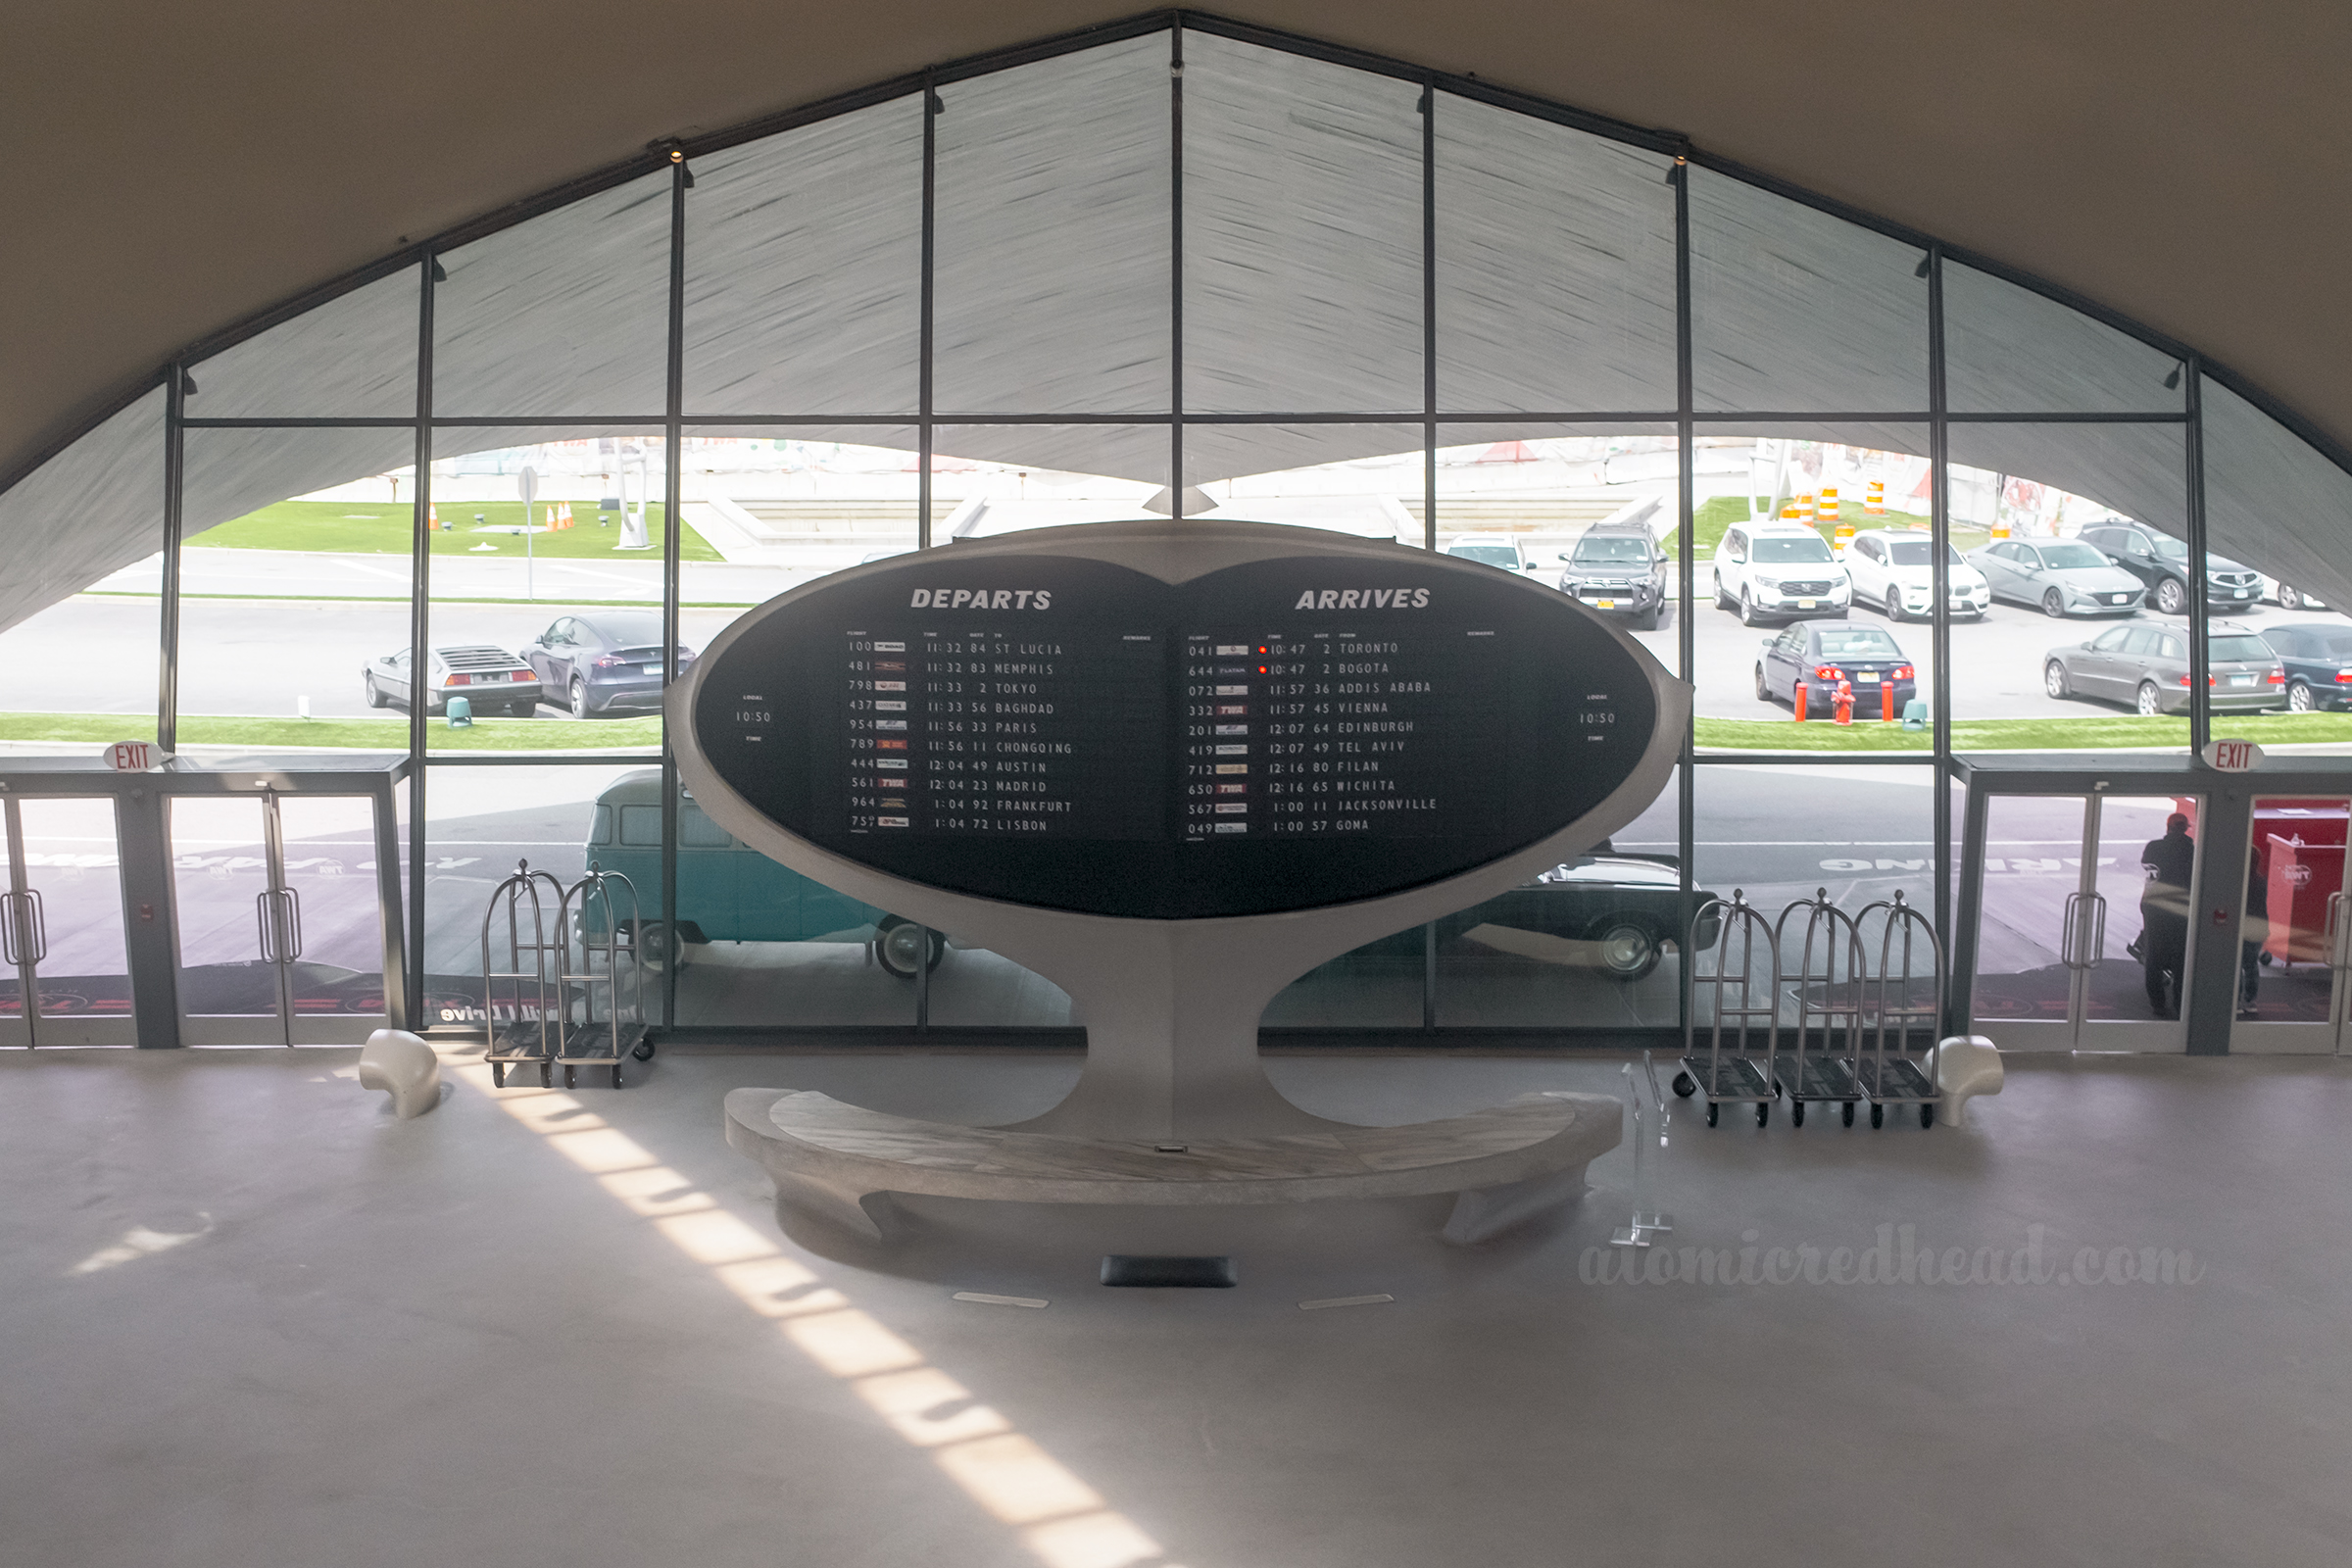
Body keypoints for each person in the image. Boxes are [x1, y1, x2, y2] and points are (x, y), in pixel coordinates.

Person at [2139, 812, 2194, 1018]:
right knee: (2181, 956)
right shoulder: (2191, 851)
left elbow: (2146, 864)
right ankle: (2180, 1003)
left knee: (2153, 954)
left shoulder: (2154, 847)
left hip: (2153, 906)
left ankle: (2157, 1002)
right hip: (2180, 909)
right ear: (2187, 828)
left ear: (2168, 827)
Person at [2240, 848, 2269, 1019]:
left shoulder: (2238, 882)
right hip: (2258, 926)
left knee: (2235, 965)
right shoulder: (2261, 881)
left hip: (2241, 926)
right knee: (2251, 965)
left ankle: (2234, 1001)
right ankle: (2250, 1002)